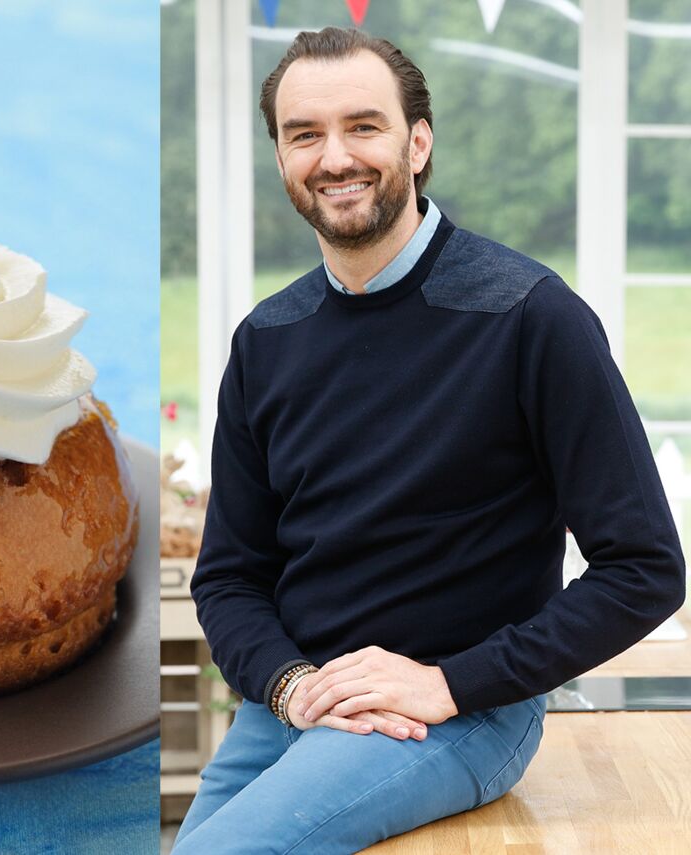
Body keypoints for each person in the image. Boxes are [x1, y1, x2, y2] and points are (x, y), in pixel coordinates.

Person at [172, 27, 685, 854]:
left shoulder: (533, 317)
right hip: (298, 702)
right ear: (281, 158)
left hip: (464, 711)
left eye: (363, 126)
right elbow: (231, 576)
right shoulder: (264, 340)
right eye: (305, 134)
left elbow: (645, 569)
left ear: (418, 140)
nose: (334, 156)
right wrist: (293, 685)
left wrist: (449, 682)